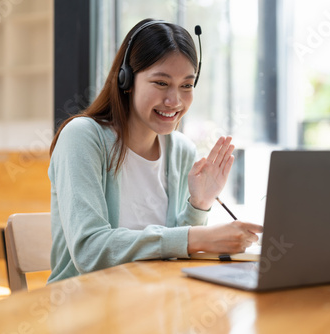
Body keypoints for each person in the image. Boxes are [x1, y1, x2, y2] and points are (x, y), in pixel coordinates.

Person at [47, 18, 263, 283]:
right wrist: (197, 238)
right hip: (85, 310)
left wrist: (200, 203)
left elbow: (172, 255)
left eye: (187, 85)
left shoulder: (180, 149)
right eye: (161, 83)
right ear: (126, 79)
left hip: (153, 302)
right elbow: (90, 252)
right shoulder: (82, 137)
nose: (175, 101)